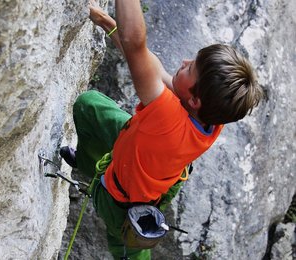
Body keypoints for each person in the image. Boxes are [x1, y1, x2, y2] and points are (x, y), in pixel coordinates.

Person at [60, 0, 264, 259]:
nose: (184, 60)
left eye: (190, 68)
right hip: (146, 156)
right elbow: (149, 65)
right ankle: (88, 165)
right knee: (90, 106)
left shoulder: (166, 115)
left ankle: (126, 246)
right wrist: (105, 22)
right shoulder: (212, 118)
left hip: (122, 200)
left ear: (194, 101)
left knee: (126, 244)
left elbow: (135, 46)